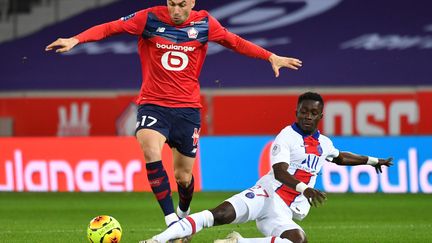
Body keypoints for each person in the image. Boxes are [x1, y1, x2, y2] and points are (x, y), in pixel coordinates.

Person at [45, 0, 303, 227]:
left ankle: (183, 211)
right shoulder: (148, 18)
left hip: (187, 110)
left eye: (181, 4)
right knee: (150, 149)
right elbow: (110, 27)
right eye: (171, 3)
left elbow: (234, 42)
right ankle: (171, 220)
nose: (176, 10)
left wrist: (269, 56)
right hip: (152, 104)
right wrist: (76, 39)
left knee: (183, 177)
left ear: (192, 3)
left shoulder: (205, 23)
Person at [140, 91, 393, 243]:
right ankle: (159, 239)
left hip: (282, 211)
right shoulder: (286, 136)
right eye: (303, 111)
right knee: (218, 215)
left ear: (320, 116)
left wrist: (373, 162)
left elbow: (339, 156)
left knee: (298, 240)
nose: (307, 116)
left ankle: (239, 241)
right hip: (266, 194)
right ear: (296, 111)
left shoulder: (323, 143)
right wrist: (305, 189)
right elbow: (281, 172)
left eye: (313, 113)